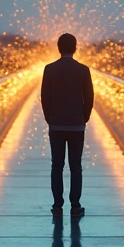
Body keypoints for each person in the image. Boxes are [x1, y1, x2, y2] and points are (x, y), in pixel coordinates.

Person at [40, 33, 94, 217]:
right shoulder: (83, 70)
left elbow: (45, 97)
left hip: (56, 125)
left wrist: (50, 117)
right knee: (75, 166)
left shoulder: (49, 69)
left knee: (57, 165)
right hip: (76, 125)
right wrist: (83, 118)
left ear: (58, 47)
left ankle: (57, 206)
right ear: (75, 47)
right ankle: (75, 205)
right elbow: (89, 98)